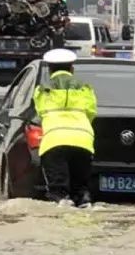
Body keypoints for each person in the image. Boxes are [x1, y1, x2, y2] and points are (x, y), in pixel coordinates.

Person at [33, 48, 97, 208]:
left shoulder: (42, 90)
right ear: (72, 68)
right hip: (83, 141)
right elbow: (91, 113)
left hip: (54, 142)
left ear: (49, 69)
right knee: (80, 191)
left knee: (58, 193)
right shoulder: (86, 89)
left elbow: (40, 113)